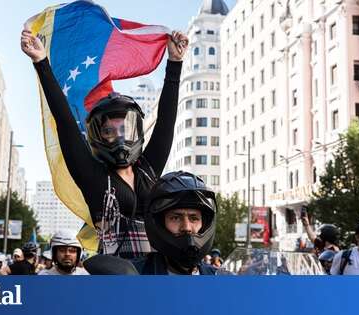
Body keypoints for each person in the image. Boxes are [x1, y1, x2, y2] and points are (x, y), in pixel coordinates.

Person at [21, 29, 188, 259]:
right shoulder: (92, 176)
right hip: (114, 274)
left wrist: (175, 62)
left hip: (155, 271)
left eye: (124, 128)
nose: (118, 136)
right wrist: (41, 62)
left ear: (135, 130)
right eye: (109, 130)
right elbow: (65, 122)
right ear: (99, 135)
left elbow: (166, 122)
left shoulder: (147, 170)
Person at [132, 171, 217, 275]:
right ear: (159, 223)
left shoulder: (219, 278)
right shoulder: (133, 274)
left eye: (194, 218)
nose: (186, 227)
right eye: (176, 218)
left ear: (204, 224)